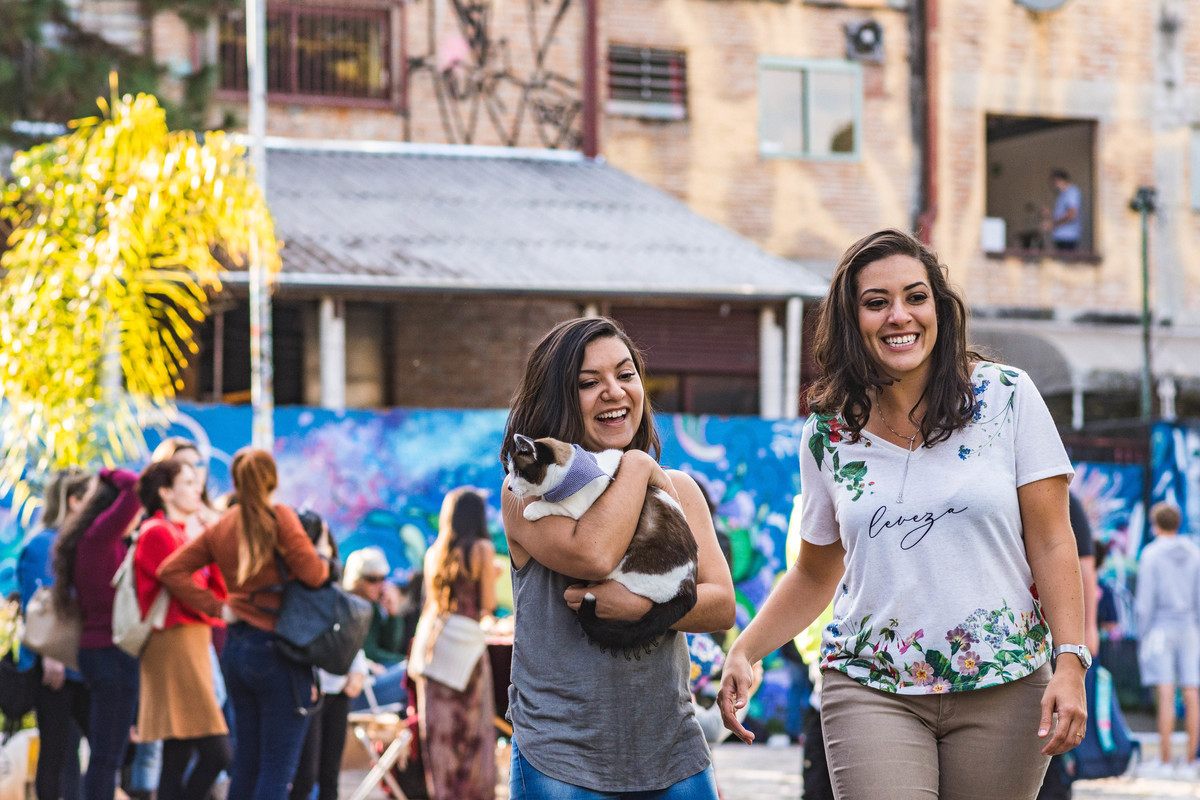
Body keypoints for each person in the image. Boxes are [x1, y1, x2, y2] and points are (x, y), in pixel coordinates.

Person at [717, 229, 1087, 799]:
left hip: (1006, 684)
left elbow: (1053, 541)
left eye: (916, 297)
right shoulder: (827, 434)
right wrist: (745, 648)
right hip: (869, 683)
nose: (899, 316)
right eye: (876, 302)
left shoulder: (1008, 397)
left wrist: (1071, 661)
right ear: (851, 319)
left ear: (938, 307)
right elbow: (817, 570)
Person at [498, 315, 735, 798]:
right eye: (589, 383)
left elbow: (722, 604)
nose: (615, 391)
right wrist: (640, 464)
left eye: (626, 375)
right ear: (557, 399)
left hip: (672, 753)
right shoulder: (525, 496)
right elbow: (594, 554)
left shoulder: (682, 491)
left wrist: (647, 608)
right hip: (561, 759)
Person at [157, 448, 330, 800]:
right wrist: (324, 555)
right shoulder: (280, 517)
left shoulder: (223, 525)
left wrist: (219, 608)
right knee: (277, 768)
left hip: (236, 651)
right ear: (273, 480)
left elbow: (170, 570)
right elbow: (314, 576)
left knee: (247, 763)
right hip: (278, 650)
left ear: (236, 482)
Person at [132, 458, 232, 800]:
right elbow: (189, 591)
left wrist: (209, 539)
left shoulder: (186, 532)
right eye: (188, 483)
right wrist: (221, 608)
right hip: (174, 643)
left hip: (194, 642)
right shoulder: (158, 532)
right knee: (217, 751)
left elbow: (220, 586)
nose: (197, 490)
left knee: (178, 752)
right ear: (164, 491)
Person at [52, 468, 144, 800]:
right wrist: (105, 472)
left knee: (106, 754)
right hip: (111, 653)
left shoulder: (92, 540)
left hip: (100, 653)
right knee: (107, 757)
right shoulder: (100, 537)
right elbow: (136, 487)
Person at [410, 487, 497, 800]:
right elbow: (486, 603)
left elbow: (431, 606)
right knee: (472, 739)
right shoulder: (482, 550)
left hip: (431, 648)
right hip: (466, 653)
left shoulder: (433, 554)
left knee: (440, 739)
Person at [17, 468, 91, 800]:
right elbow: (40, 606)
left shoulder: (81, 543)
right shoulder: (43, 544)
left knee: (77, 750)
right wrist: (50, 657)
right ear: (74, 501)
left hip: (83, 663)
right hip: (56, 665)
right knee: (57, 749)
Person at [290, 509, 369, 800]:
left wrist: (357, 670)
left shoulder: (335, 585)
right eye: (320, 538)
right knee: (304, 774)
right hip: (310, 688)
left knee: (329, 773)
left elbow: (349, 633)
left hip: (338, 687)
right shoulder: (297, 587)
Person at [1038, 491, 1101, 799]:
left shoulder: (1063, 497)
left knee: (1058, 726)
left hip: (1056, 638)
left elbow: (1085, 567)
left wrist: (1086, 633)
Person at [1133, 501, 1200, 777]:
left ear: (1156, 524)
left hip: (1160, 627)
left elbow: (1144, 603)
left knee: (1165, 693)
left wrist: (1141, 634)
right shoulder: (1195, 552)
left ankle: (1163, 761)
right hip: (1189, 628)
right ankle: (1190, 762)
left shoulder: (1150, 554)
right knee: (1192, 692)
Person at [344, 546, 409, 712]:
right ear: (356, 579)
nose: (380, 585)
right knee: (412, 672)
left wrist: (393, 614)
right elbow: (369, 651)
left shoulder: (372, 607)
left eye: (383, 579)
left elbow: (389, 645)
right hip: (358, 688)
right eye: (372, 579)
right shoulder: (347, 607)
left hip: (375, 679)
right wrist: (401, 660)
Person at [1042, 168, 1082, 251]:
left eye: (1054, 182)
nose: (1054, 185)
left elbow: (1072, 214)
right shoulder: (1063, 194)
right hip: (1061, 237)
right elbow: (1062, 214)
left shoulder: (1071, 192)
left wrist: (1053, 224)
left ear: (1060, 180)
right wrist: (1050, 215)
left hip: (1067, 238)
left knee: (1067, 262)